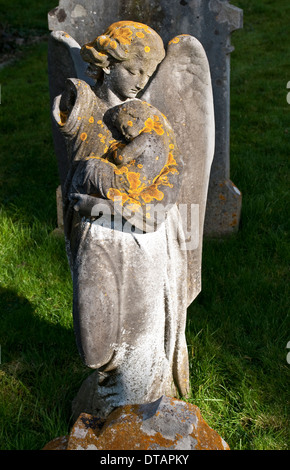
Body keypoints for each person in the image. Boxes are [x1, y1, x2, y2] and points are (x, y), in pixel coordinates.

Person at [52, 21, 189, 419]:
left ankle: (137, 404)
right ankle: (111, 397)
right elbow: (81, 170)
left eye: (148, 76)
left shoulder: (148, 117)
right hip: (99, 236)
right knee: (97, 346)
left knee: (138, 346)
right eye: (134, 71)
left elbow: (165, 178)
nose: (140, 84)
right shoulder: (86, 109)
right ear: (108, 63)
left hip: (143, 240)